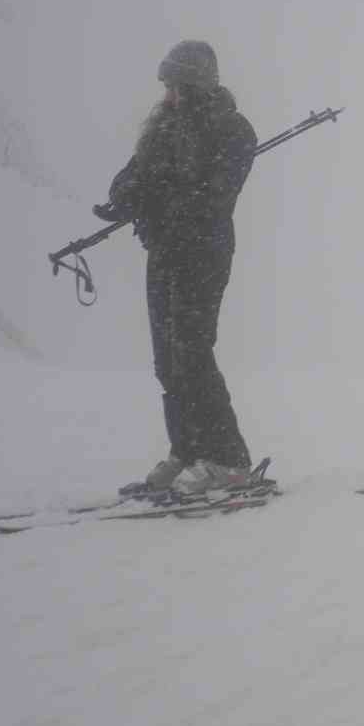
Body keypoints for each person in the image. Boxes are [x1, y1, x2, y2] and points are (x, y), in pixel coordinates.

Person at [93, 40, 258, 495]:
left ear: (197, 85)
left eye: (175, 87)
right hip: (164, 253)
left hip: (203, 254)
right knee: (167, 360)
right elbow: (129, 179)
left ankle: (228, 460)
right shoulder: (164, 130)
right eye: (166, 86)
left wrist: (157, 198)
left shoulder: (233, 131)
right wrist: (124, 198)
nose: (167, 96)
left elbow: (213, 199)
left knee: (193, 354)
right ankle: (187, 450)